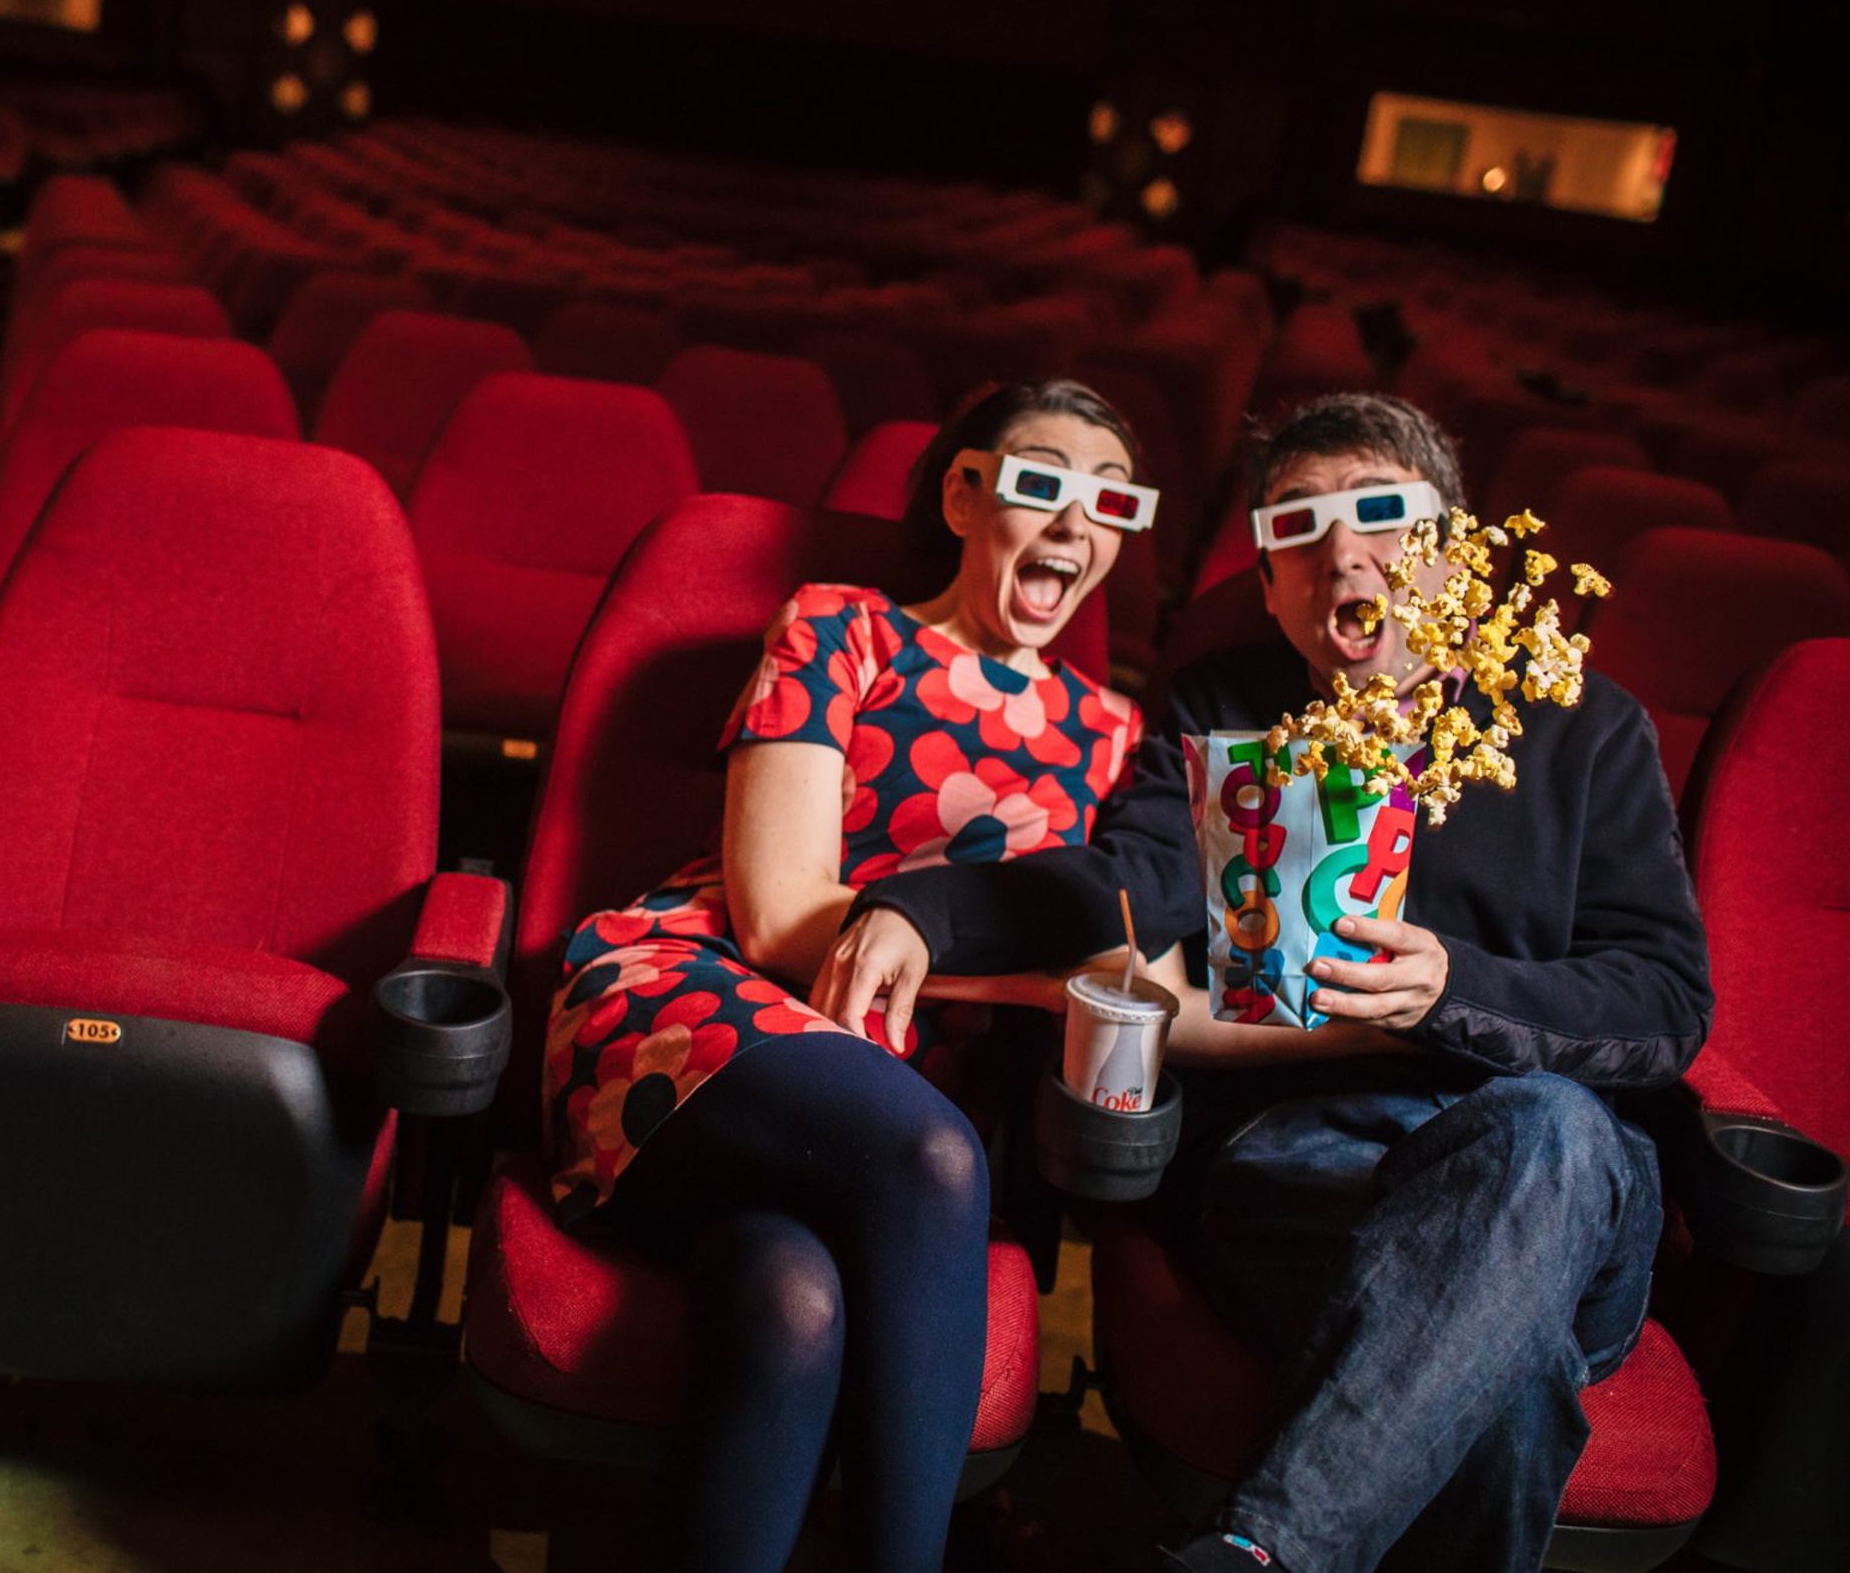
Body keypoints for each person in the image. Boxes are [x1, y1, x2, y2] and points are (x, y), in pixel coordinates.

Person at [815, 392, 1713, 1573]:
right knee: (1502, 1370)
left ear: (1453, 552)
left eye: (1381, 514)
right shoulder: (1224, 712)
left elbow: (1665, 999)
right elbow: (1126, 885)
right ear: (1275, 586)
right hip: (1307, 1172)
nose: (1342, 550)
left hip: (1560, 1178)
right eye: (1297, 527)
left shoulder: (1581, 726)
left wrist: (1452, 988)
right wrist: (921, 907)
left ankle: (1265, 1551)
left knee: (1543, 1129)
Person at [543, 379, 1158, 1573]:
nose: (1077, 522)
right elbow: (780, 919)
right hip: (698, 1014)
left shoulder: (1116, 737)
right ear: (965, 496)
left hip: (879, 1108)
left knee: (790, 1305)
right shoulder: (842, 629)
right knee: (934, 1157)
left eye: (1112, 501)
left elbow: (1139, 966)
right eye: (1042, 484)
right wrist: (1033, 975)